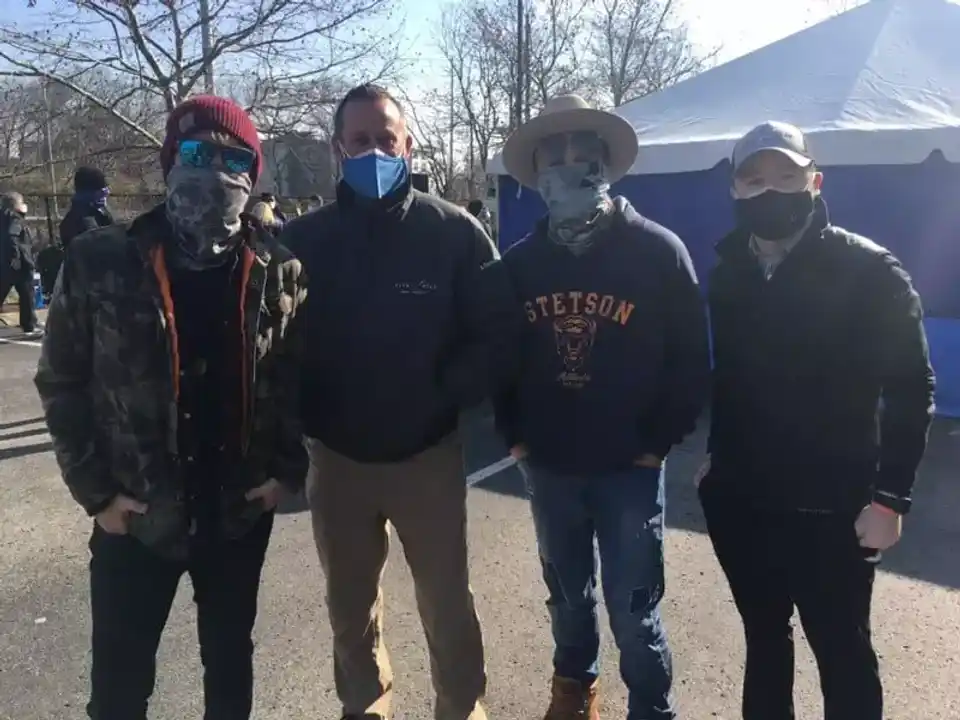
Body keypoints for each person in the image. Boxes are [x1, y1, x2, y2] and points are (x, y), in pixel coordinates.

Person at [35, 95, 308, 720]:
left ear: (253, 175)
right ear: (169, 162)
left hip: (236, 514)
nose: (214, 170)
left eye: (233, 159)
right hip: (137, 517)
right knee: (120, 687)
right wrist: (97, 495)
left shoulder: (280, 269)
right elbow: (62, 380)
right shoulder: (101, 259)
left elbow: (296, 376)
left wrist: (284, 473)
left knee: (229, 672)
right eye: (195, 152)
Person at [279, 82, 517, 720]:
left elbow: (496, 334)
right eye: (360, 141)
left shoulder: (455, 234)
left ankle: (461, 707)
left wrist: (442, 395)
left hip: (426, 457)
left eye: (386, 139)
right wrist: (301, 421)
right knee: (349, 605)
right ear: (338, 150)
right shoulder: (302, 243)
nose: (375, 152)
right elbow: (274, 348)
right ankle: (367, 704)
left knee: (446, 601)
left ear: (408, 145)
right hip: (337, 461)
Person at [698, 121, 936, 720]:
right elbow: (731, 377)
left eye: (786, 175)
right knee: (764, 639)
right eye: (754, 179)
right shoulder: (729, 271)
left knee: (841, 652)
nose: (770, 190)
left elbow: (912, 388)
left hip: (832, 510)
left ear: (815, 182)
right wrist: (715, 459)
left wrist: (890, 501)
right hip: (743, 503)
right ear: (734, 189)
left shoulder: (869, 271)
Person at [493, 94, 710, 720]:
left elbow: (691, 361)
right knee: (566, 595)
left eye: (581, 151)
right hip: (550, 468)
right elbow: (500, 357)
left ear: (605, 163)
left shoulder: (658, 251)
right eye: (552, 155)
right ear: (536, 173)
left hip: (629, 471)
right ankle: (574, 689)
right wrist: (515, 437)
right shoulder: (521, 264)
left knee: (633, 607)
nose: (567, 165)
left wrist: (657, 444)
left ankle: (651, 708)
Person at [0, 191, 40, 335]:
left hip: (4, 262)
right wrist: (15, 256)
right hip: (20, 263)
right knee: (27, 294)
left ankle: (30, 323)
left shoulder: (3, 218)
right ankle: (29, 324)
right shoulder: (15, 219)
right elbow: (12, 236)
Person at [59, 166, 115, 250]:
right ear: (88, 193)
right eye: (100, 190)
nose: (106, 193)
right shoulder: (75, 221)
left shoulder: (101, 211)